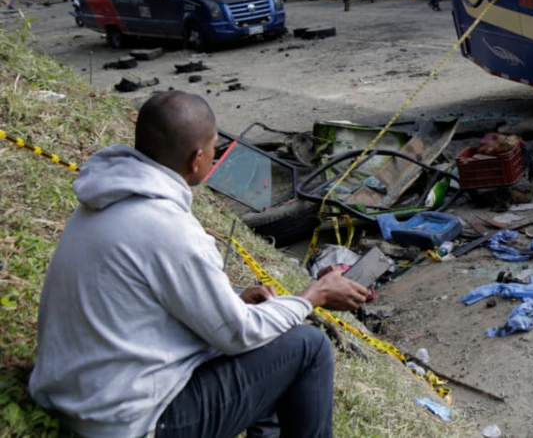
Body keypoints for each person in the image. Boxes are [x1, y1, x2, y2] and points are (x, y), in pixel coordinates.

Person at [29, 91, 370, 438]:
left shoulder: (106, 199)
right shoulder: (169, 229)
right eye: (212, 148)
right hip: (128, 423)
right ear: (196, 159)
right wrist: (315, 296)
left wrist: (233, 301)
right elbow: (239, 335)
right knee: (308, 346)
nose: (213, 155)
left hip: (73, 395)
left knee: (265, 332)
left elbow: (146, 298)